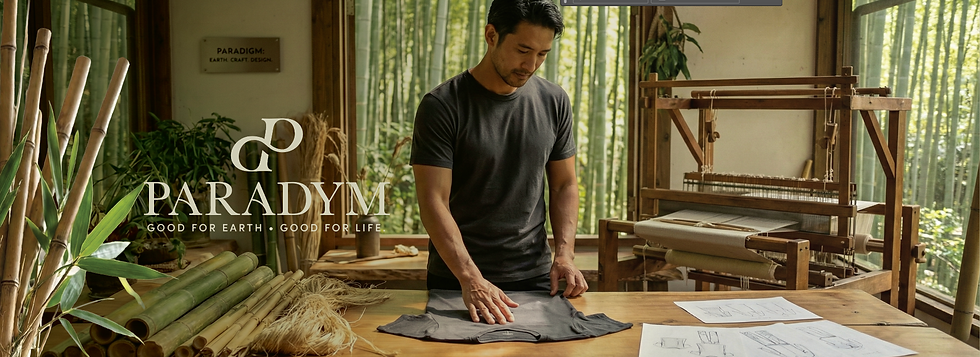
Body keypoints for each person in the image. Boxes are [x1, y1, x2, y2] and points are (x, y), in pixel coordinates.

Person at [411, 0, 586, 326]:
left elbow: (565, 185)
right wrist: (470, 278)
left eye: (542, 54)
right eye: (523, 50)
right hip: (458, 280)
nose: (531, 64)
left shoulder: (554, 101)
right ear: (491, 35)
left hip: (535, 277)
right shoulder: (442, 106)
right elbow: (433, 200)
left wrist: (564, 254)